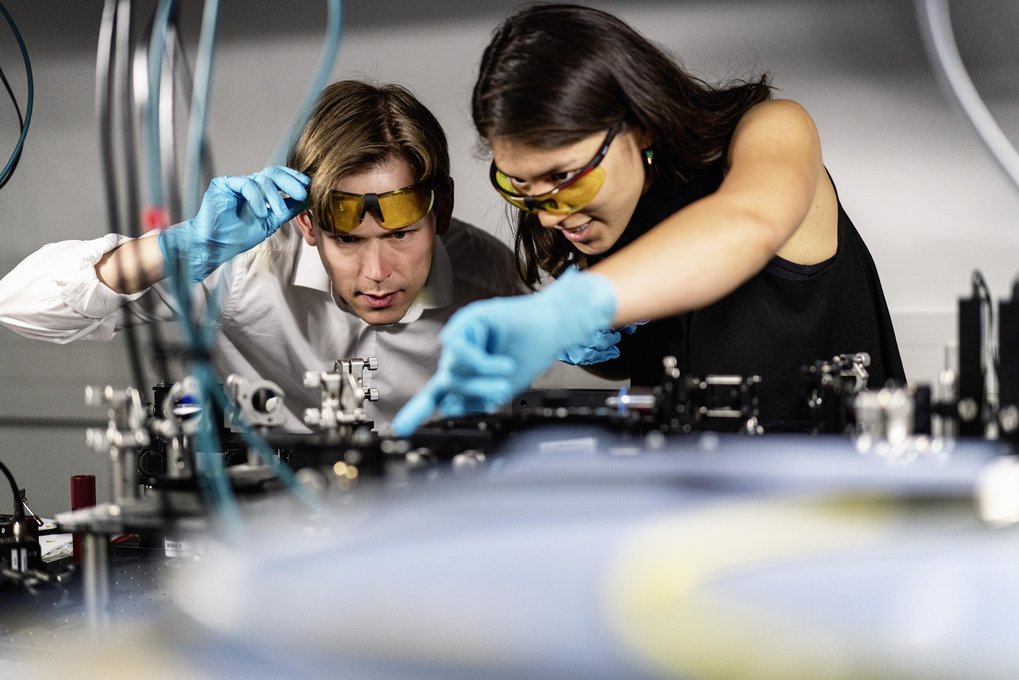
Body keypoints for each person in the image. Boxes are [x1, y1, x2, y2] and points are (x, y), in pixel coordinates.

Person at [393, 3, 905, 435]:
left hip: (845, 510)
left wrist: (571, 307)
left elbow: (745, 222)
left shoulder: (774, 129)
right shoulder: (604, 222)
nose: (548, 216)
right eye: (521, 185)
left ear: (638, 125)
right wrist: (591, 347)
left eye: (567, 176)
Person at [0, 80, 522, 430]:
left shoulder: (491, 277)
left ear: (443, 209)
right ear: (306, 222)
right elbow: (20, 307)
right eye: (348, 240)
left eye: (401, 235)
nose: (377, 273)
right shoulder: (244, 266)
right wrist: (183, 246)